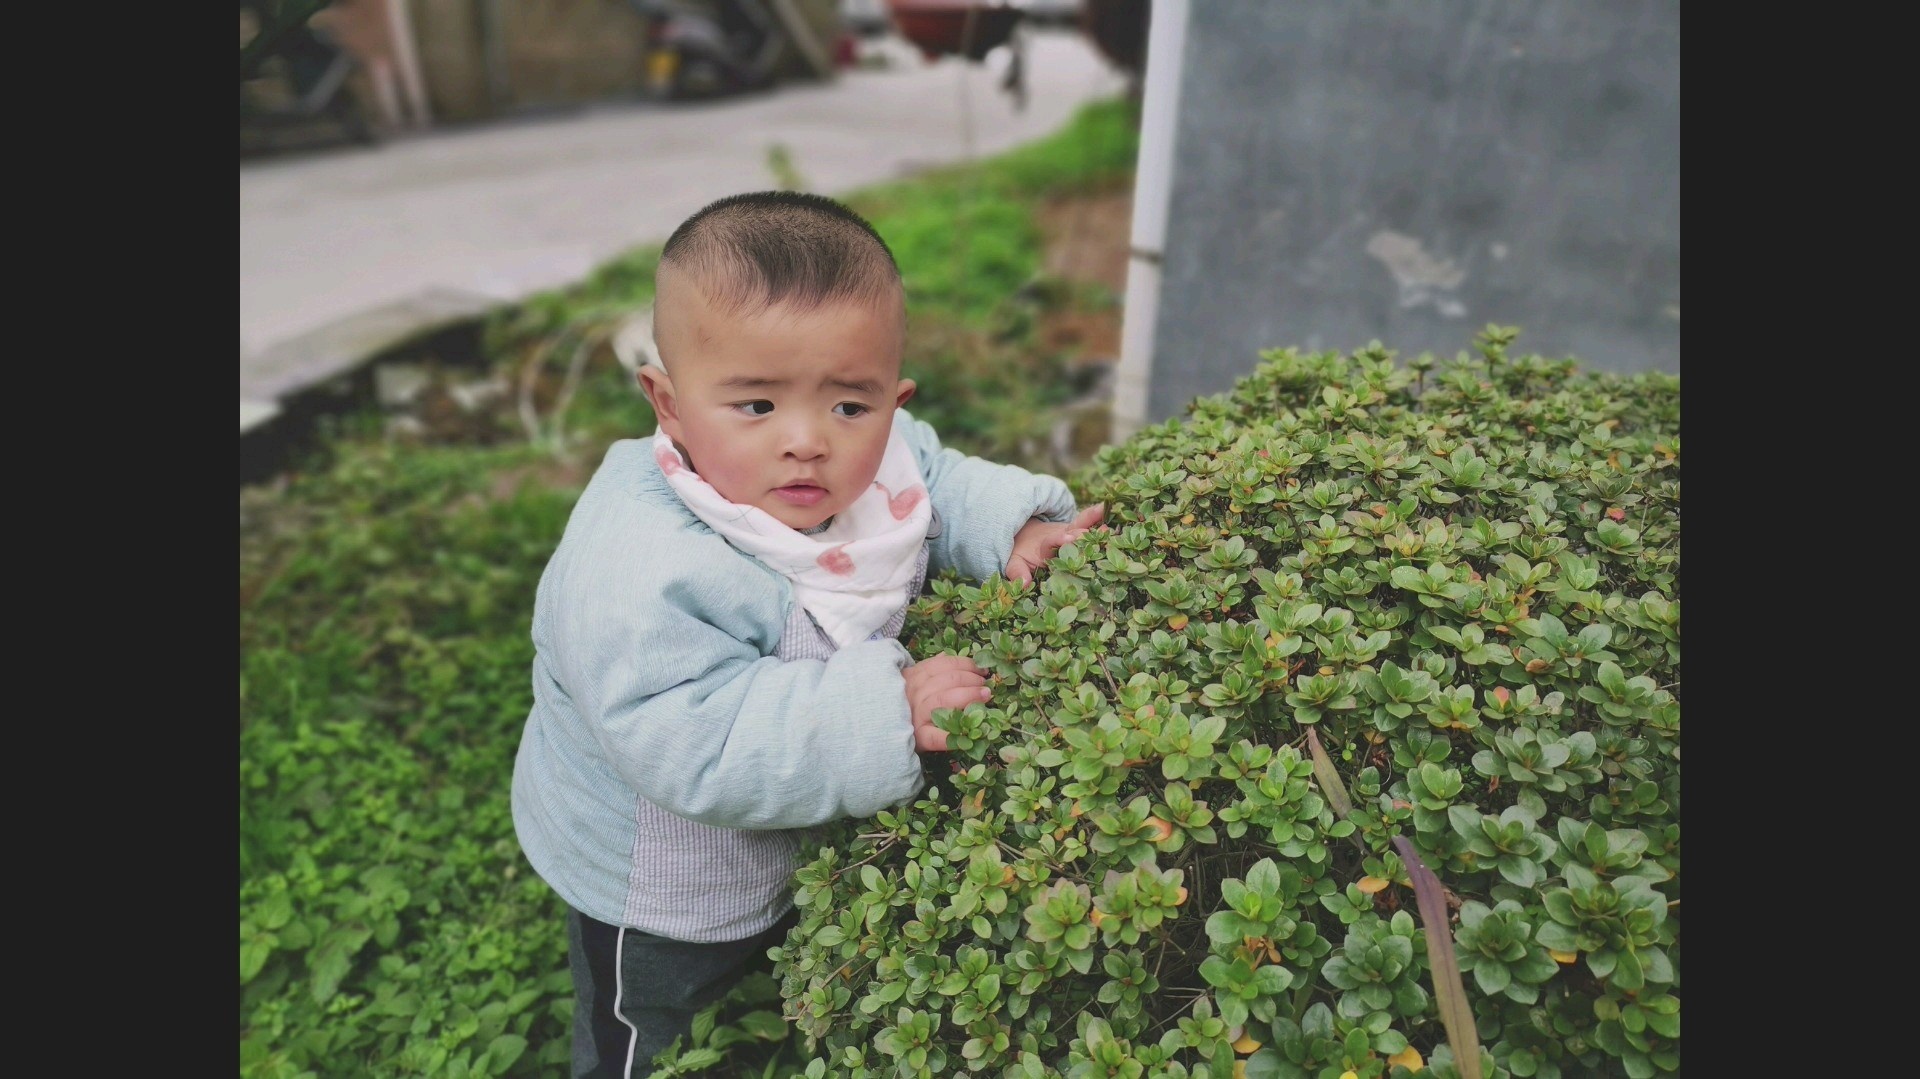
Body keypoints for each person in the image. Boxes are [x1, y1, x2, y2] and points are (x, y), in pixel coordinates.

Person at [510, 190, 1105, 1078]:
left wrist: (1009, 529)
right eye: (754, 405)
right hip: (661, 880)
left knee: (763, 987)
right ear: (667, 404)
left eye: (850, 407)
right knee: (657, 1025)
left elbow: (928, 476)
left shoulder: (879, 447)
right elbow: (690, 736)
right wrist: (885, 712)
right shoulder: (640, 566)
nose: (807, 443)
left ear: (892, 398)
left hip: (781, 828)